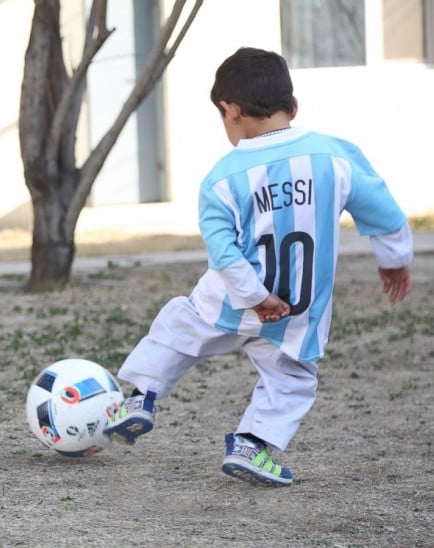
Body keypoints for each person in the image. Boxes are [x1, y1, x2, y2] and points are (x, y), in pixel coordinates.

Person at [103, 47, 414, 487]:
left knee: (177, 328)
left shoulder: (221, 179)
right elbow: (385, 212)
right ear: (293, 106)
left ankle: (140, 398)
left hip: (230, 300)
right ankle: (251, 444)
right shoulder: (335, 158)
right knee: (291, 380)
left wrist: (254, 297)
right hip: (296, 312)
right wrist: (395, 261)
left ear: (230, 111)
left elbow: (224, 252)